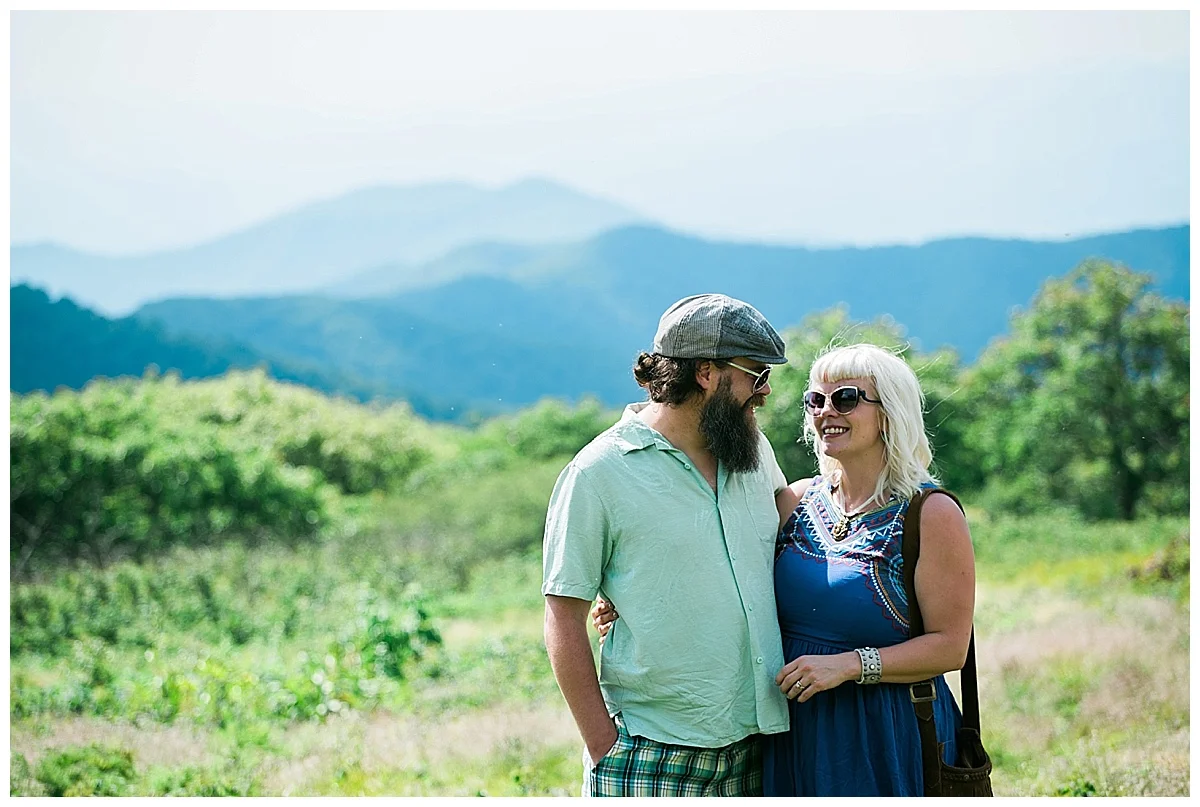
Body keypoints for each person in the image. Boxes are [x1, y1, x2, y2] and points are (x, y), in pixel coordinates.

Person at [595, 343, 977, 797]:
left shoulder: (929, 513)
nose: (826, 411)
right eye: (815, 400)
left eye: (846, 398)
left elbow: (950, 648)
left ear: (890, 413)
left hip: (885, 732)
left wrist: (850, 666)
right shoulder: (796, 501)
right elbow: (723, 563)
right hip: (793, 729)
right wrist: (633, 600)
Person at [542, 293, 793, 797]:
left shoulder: (754, 450)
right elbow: (563, 617)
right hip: (649, 751)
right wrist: (603, 745)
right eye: (757, 374)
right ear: (706, 373)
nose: (764, 391)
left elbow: (790, 535)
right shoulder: (598, 472)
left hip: (760, 746)